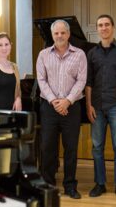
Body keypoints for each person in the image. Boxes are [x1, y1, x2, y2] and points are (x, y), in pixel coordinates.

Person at [36, 19, 87, 199]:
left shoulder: (80, 54)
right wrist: (54, 101)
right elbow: (41, 80)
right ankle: (48, 185)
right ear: (52, 35)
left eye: (62, 33)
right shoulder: (43, 55)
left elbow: (81, 81)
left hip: (71, 108)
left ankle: (70, 186)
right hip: (49, 107)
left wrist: (67, 101)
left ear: (68, 34)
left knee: (71, 148)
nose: (59, 36)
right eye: (56, 33)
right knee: (47, 147)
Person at [85, 14, 116, 199]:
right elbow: (88, 82)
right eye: (100, 25)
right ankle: (100, 184)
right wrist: (88, 105)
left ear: (113, 27)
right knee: (97, 147)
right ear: (97, 29)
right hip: (96, 106)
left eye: (106, 25)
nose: (103, 28)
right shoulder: (92, 53)